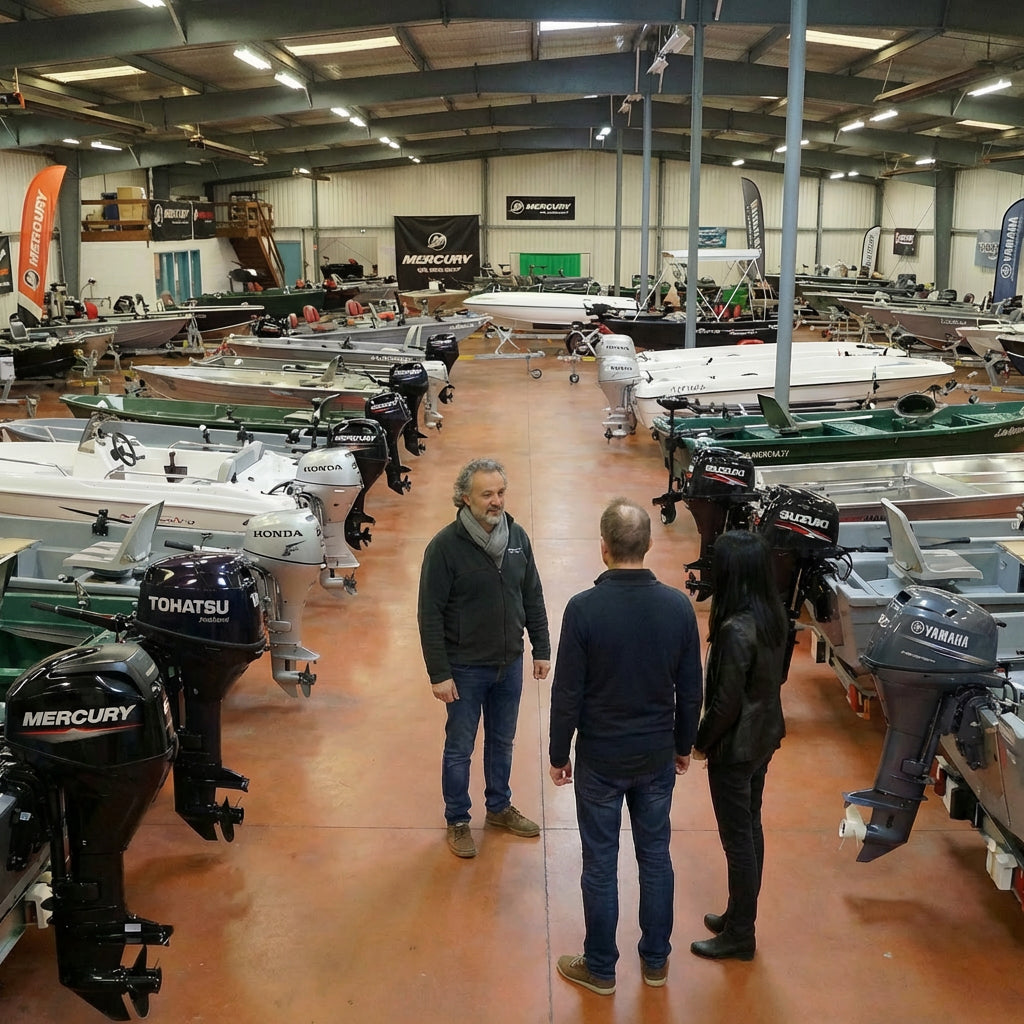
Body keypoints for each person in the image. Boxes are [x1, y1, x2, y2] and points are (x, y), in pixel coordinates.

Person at [549, 498, 703, 995]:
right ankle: (655, 963)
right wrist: (683, 744)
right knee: (655, 857)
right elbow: (691, 688)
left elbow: (568, 691)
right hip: (656, 755)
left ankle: (600, 969)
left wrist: (558, 753)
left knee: (601, 864)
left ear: (604, 548)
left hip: (601, 760)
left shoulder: (584, 609)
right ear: (649, 544)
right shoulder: (678, 606)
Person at [418, 457, 551, 859]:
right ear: (464, 498)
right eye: (487, 494)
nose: (496, 501)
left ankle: (498, 808)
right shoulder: (445, 547)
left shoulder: (517, 538)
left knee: (502, 741)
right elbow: (429, 614)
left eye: (500, 492)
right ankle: (458, 819)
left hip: (508, 663)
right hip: (465, 667)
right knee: (460, 747)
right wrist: (439, 673)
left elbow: (532, 594)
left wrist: (540, 648)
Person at [690, 530, 788, 962]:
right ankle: (738, 915)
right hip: (763, 737)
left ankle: (741, 934)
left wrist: (699, 743)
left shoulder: (733, 630)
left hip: (735, 749)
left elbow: (725, 703)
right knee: (751, 826)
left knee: (737, 840)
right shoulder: (772, 615)